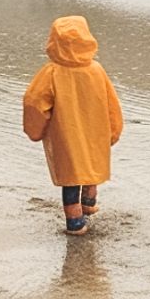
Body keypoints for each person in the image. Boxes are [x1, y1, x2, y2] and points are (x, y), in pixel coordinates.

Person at [23, 16, 123, 235]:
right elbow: (111, 103)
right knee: (91, 166)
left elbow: (34, 102)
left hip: (66, 135)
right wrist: (113, 131)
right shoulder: (96, 70)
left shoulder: (51, 73)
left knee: (71, 177)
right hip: (95, 134)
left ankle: (75, 220)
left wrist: (35, 130)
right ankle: (89, 201)